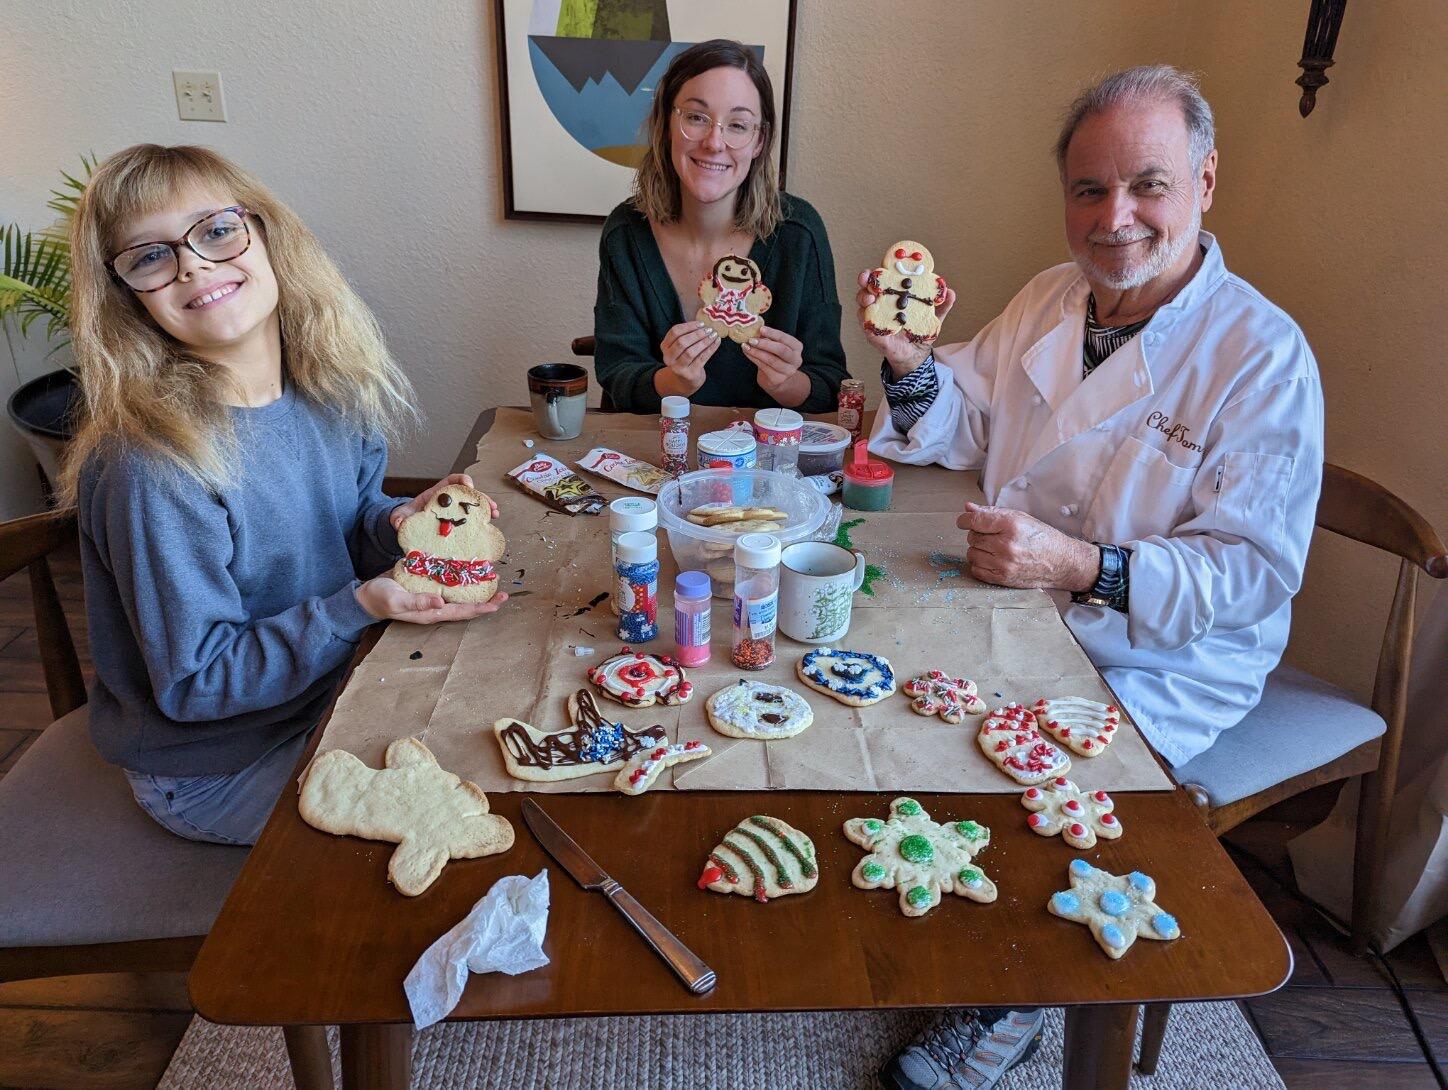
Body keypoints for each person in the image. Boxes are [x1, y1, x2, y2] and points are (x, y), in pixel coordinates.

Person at [866, 66, 1324, 1090]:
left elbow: (1250, 571)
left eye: (1145, 185)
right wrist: (906, 363)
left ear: (1205, 181)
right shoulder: (1046, 298)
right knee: (881, 693)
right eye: (1087, 189)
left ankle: (1014, 997)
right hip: (1010, 602)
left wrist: (1080, 565)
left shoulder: (1261, 356)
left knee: (1040, 791)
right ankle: (934, 900)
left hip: (1159, 654)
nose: (1113, 218)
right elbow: (960, 421)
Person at [61, 144, 507, 847]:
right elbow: (197, 683)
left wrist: (400, 523)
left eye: (215, 231)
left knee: (496, 741)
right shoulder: (151, 467)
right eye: (150, 257)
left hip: (325, 695)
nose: (193, 266)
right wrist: (357, 606)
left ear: (268, 233)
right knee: (454, 822)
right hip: (219, 767)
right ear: (125, 298)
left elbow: (347, 524)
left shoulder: (325, 388)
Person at [593, 38, 849, 413]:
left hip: (767, 461)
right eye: (696, 117)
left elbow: (830, 387)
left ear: (759, 141)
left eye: (738, 125)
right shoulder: (627, 233)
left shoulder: (799, 234)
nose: (714, 142)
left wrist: (787, 383)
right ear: (666, 124)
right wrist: (674, 382)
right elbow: (618, 374)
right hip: (653, 456)